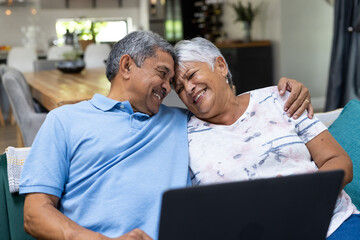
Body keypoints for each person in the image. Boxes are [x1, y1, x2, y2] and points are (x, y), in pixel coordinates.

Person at [19, 31, 311, 240]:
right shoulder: (65, 120)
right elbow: (34, 214)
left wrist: (283, 92)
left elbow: (231, 108)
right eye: (162, 74)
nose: (169, 88)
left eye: (173, 82)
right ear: (127, 66)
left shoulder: (182, 122)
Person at [173, 37, 360, 239]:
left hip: (332, 224)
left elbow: (339, 162)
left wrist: (304, 196)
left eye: (192, 75)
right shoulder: (181, 133)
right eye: (180, 88)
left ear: (220, 66)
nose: (188, 89)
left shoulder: (280, 98)